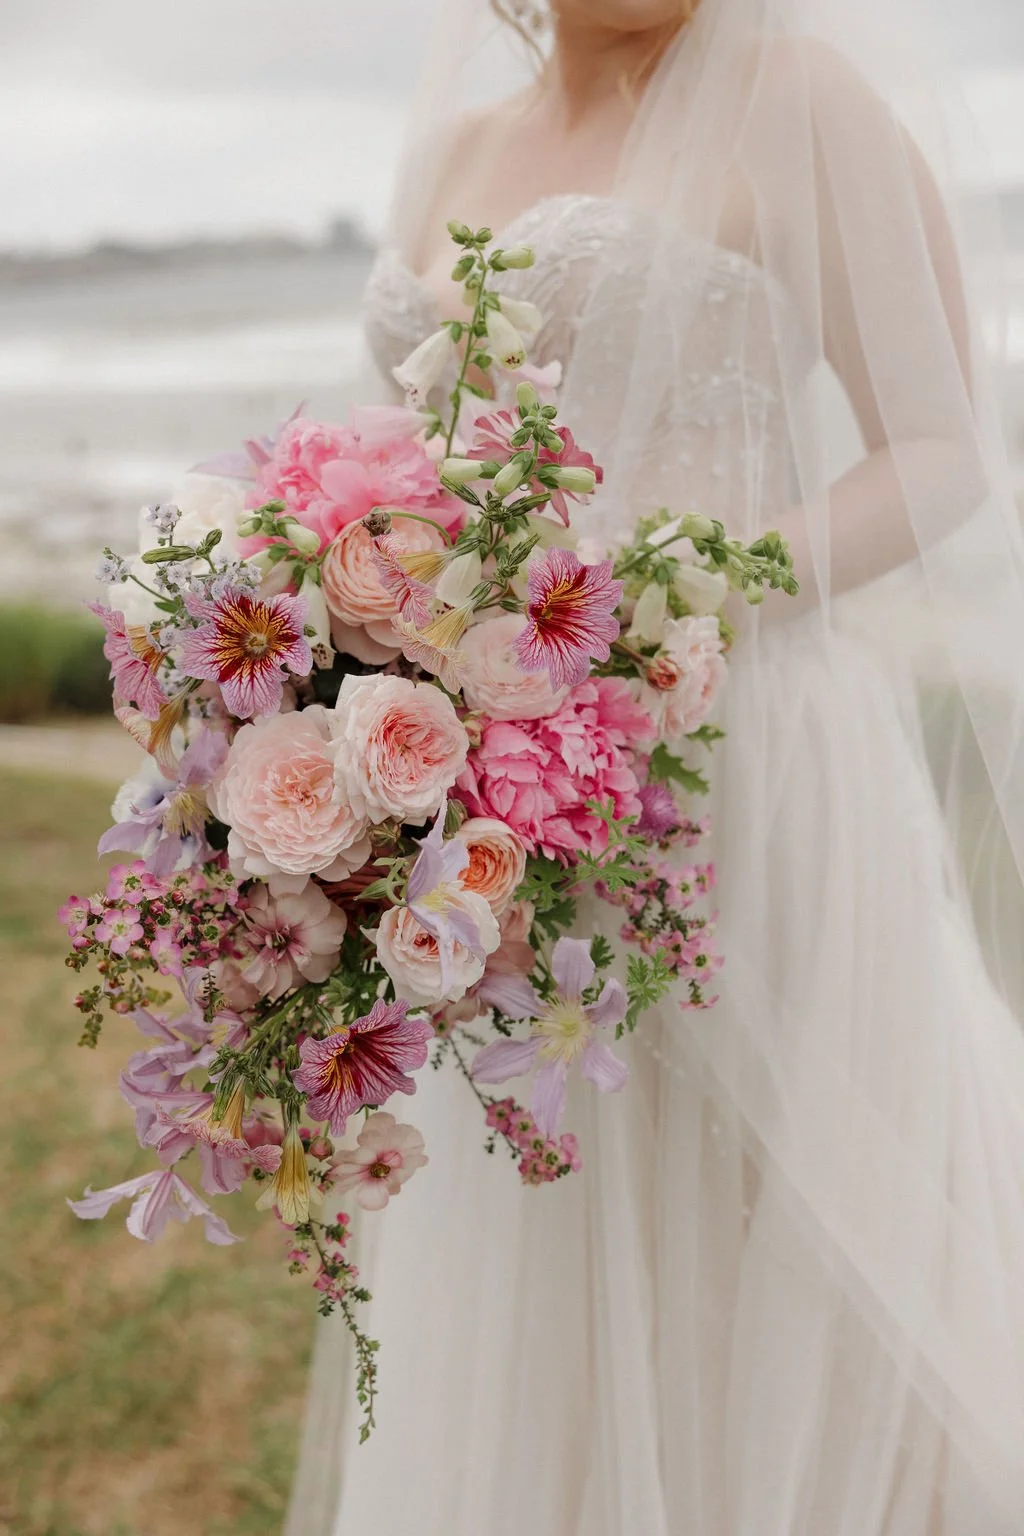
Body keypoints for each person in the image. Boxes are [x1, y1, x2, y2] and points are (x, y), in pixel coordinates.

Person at [287, 1, 1024, 1530]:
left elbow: (942, 450)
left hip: (737, 758)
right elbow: (413, 466)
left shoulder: (802, 97)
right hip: (496, 789)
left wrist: (682, 600)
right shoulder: (453, 148)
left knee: (761, 1218)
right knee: (543, 1215)